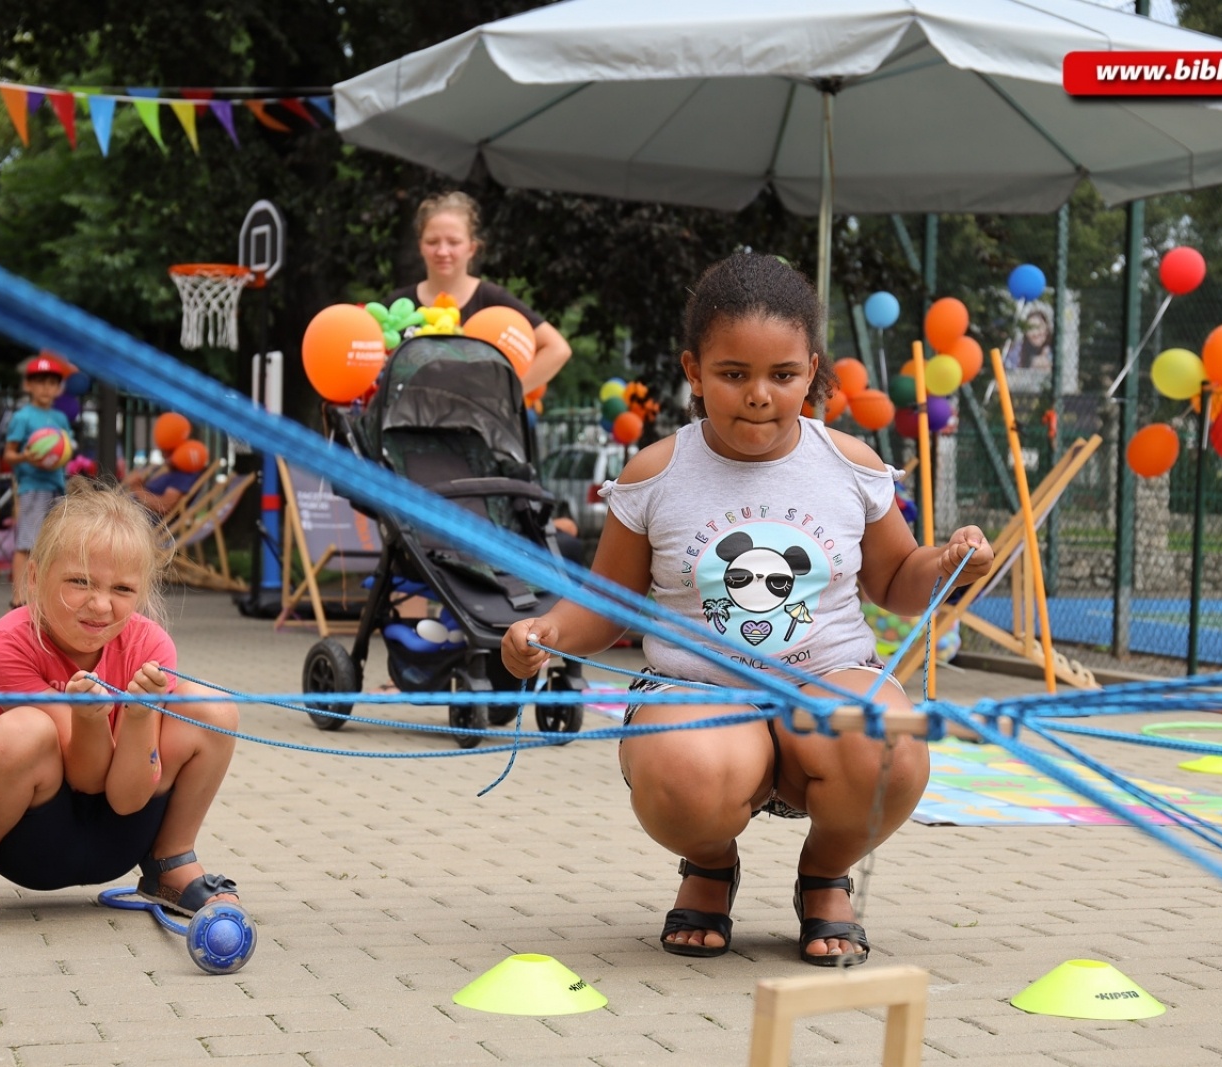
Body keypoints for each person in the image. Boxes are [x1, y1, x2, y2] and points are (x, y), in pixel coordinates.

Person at [502, 254, 994, 967]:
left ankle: (825, 875)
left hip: (827, 682)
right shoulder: (655, 473)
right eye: (733, 374)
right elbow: (606, 606)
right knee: (684, 773)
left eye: (783, 375)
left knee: (887, 743)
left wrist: (948, 564)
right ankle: (709, 864)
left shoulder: (851, 464)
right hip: (697, 693)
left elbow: (897, 581)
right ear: (693, 371)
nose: (759, 395)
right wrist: (547, 632)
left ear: (812, 371)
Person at [0, 480, 240, 935]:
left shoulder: (151, 645)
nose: (101, 605)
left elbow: (127, 796)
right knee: (23, 730)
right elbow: (85, 778)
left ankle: (170, 864)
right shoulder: (7, 645)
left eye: (123, 590)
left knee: (213, 708)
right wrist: (89, 718)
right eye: (80, 582)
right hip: (31, 836)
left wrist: (139, 715)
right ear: (34, 578)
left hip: (125, 828)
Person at [386, 191, 572, 393]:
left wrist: (507, 396)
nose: (442, 251)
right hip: (407, 421)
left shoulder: (492, 299)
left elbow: (557, 348)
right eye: (432, 242)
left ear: (472, 248)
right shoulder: (399, 304)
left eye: (454, 242)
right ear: (420, 246)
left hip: (475, 423)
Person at [3, 355, 75, 610]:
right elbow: (8, 454)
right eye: (40, 382)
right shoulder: (23, 417)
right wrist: (27, 456)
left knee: (53, 546)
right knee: (26, 543)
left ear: (58, 388)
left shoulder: (60, 418)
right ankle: (18, 599)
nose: (46, 388)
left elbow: (65, 449)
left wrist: (61, 454)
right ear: (29, 386)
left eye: (51, 383)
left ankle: (44, 597)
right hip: (33, 487)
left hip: (57, 486)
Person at [124, 462, 203, 520]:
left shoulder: (184, 477)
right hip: (132, 509)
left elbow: (164, 506)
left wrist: (137, 488)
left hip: (140, 516)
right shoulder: (170, 472)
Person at [1002, 301, 1054, 374]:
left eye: (1039, 327)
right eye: (1031, 329)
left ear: (1047, 329)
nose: (1035, 333)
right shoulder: (1018, 350)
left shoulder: (1055, 349)